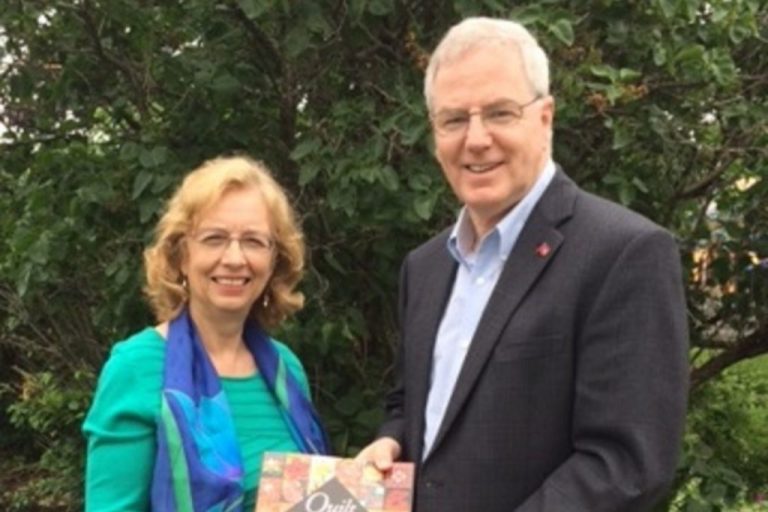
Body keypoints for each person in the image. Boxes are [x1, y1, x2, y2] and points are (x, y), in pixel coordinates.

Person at [357, 16, 689, 512]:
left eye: (499, 113)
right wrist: (391, 443)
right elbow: (412, 406)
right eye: (453, 120)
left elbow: (625, 464)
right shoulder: (424, 268)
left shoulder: (623, 253)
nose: (475, 139)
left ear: (545, 117)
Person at [83, 155, 329, 511]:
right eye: (214, 238)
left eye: (254, 241)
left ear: (275, 259)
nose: (234, 258)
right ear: (181, 254)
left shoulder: (285, 370)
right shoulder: (134, 367)